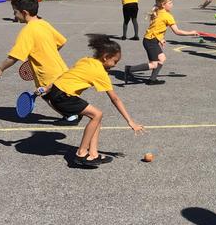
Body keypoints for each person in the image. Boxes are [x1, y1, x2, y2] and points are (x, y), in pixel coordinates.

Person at [44, 34, 144, 167]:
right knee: (97, 114)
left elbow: (66, 74)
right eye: (115, 61)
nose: (115, 65)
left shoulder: (86, 60)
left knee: (96, 118)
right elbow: (115, 99)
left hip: (56, 91)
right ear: (106, 57)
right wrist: (130, 121)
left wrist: (48, 88)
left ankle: (93, 154)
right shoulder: (100, 72)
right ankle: (81, 153)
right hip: (64, 96)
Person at [0, 0, 78, 125]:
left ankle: (72, 115)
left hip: (46, 73)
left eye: (15, 12)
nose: (14, 15)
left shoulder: (27, 31)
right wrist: (46, 53)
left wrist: (0, 68)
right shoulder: (44, 23)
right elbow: (61, 42)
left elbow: (14, 56)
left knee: (53, 97)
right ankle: (71, 114)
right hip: (59, 68)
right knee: (52, 95)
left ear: (24, 12)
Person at [124, 0, 199, 85]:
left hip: (150, 40)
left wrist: (160, 39)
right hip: (150, 41)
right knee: (154, 64)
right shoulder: (167, 16)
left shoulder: (157, 11)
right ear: (163, 5)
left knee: (162, 58)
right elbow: (177, 31)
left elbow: (156, 28)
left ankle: (152, 79)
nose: (172, 4)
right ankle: (129, 69)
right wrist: (191, 32)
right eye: (170, 3)